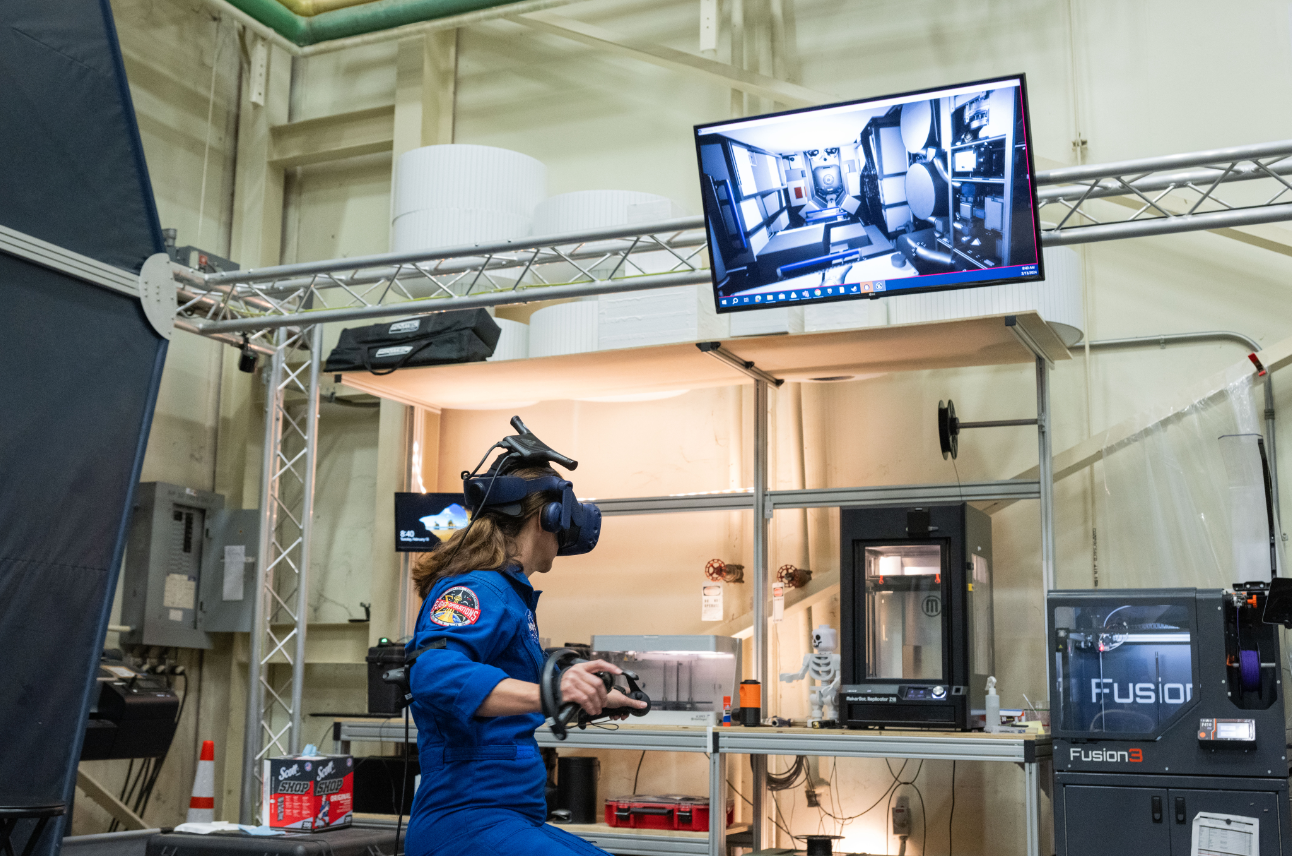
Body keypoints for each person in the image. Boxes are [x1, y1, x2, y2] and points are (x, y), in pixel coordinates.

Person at [403, 464, 646, 856]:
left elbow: (512, 688)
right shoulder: (478, 587)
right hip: (468, 819)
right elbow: (435, 673)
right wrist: (554, 689)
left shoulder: (509, 592)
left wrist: (587, 696)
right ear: (546, 517)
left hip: (508, 816)